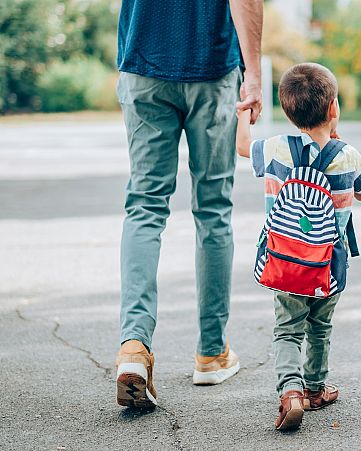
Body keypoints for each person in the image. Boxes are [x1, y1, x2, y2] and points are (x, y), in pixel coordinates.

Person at [113, 0, 263, 408]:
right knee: (213, 209)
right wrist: (253, 75)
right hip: (211, 68)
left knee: (144, 206)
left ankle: (134, 347)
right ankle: (212, 353)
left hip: (143, 61)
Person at [235, 63, 361, 430]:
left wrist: (245, 113)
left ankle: (290, 392)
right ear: (333, 109)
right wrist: (336, 139)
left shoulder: (276, 149)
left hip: (284, 263)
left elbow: (242, 147)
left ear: (287, 111)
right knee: (319, 326)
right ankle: (315, 389)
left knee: (287, 329)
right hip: (328, 264)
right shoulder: (349, 156)